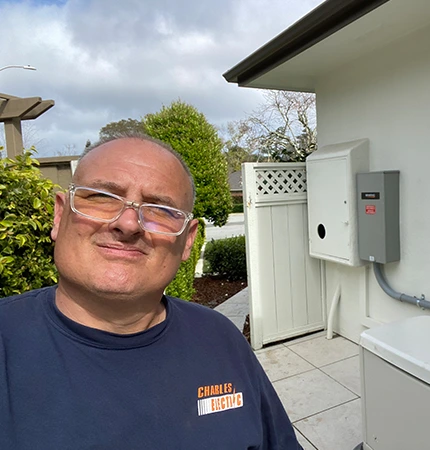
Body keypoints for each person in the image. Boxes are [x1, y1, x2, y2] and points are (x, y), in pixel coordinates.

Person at [0, 135, 302, 449]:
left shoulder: (220, 337)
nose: (128, 223)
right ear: (59, 215)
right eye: (103, 197)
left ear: (187, 241)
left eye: (160, 209)